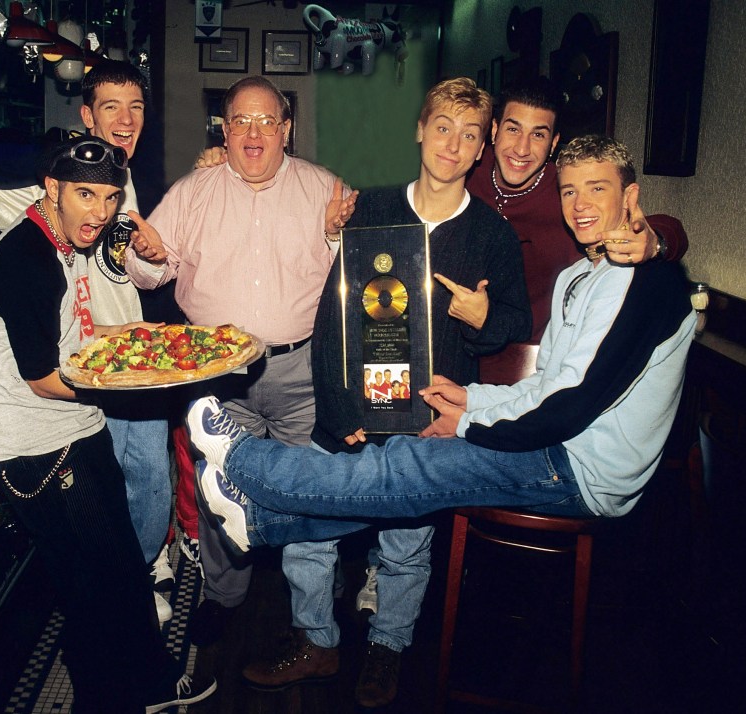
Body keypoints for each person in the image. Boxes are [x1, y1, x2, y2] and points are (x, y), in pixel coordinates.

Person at [187, 137, 696, 621]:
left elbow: (569, 405)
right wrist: (471, 398)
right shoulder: (579, 276)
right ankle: (255, 522)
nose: (580, 203)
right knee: (399, 481)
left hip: (582, 471)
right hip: (559, 447)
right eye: (569, 189)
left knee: (411, 464)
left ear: (631, 195)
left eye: (597, 187)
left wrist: (469, 424)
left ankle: (245, 460)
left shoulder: (648, 279)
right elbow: (546, 385)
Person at [239, 77, 530, 707]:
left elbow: (514, 326)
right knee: (306, 533)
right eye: (443, 127)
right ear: (420, 130)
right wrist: (339, 406)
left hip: (429, 419)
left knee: (407, 545)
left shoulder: (491, 235)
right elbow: (331, 320)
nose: (454, 144)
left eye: (469, 134)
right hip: (352, 411)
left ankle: (388, 648)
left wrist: (485, 319)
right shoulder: (369, 210)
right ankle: (318, 641)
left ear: (481, 150)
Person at [0, 136, 216, 713]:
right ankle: (120, 698)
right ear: (51, 189)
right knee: (95, 586)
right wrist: (137, 380)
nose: (100, 212)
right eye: (85, 194)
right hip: (40, 447)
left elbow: (73, 337)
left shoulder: (61, 243)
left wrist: (138, 340)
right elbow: (44, 376)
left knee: (114, 573)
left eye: (108, 197)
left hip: (76, 428)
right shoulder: (24, 259)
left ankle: (143, 685)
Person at [0, 60, 176, 624]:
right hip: (74, 401)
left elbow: (113, 292)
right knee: (94, 570)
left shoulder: (136, 180)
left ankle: (140, 587)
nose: (126, 119)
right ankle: (128, 621)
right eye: (111, 106)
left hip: (99, 373)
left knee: (145, 487)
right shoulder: (44, 208)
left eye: (136, 107)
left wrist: (139, 325)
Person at [125, 74, 357, 648]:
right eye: (241, 122)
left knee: (311, 488)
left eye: (266, 121)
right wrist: (148, 254)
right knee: (219, 488)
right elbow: (151, 271)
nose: (254, 133)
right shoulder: (193, 190)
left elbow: (356, 285)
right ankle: (224, 597)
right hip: (217, 373)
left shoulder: (323, 189)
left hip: (301, 369)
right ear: (224, 131)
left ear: (286, 130)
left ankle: (314, 607)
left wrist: (335, 238)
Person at [464, 77, 688, 382]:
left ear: (554, 144)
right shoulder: (468, 170)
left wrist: (656, 241)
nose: (522, 148)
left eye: (539, 134)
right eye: (513, 129)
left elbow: (655, 223)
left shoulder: (568, 191)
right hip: (460, 349)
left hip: (536, 367)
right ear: (494, 130)